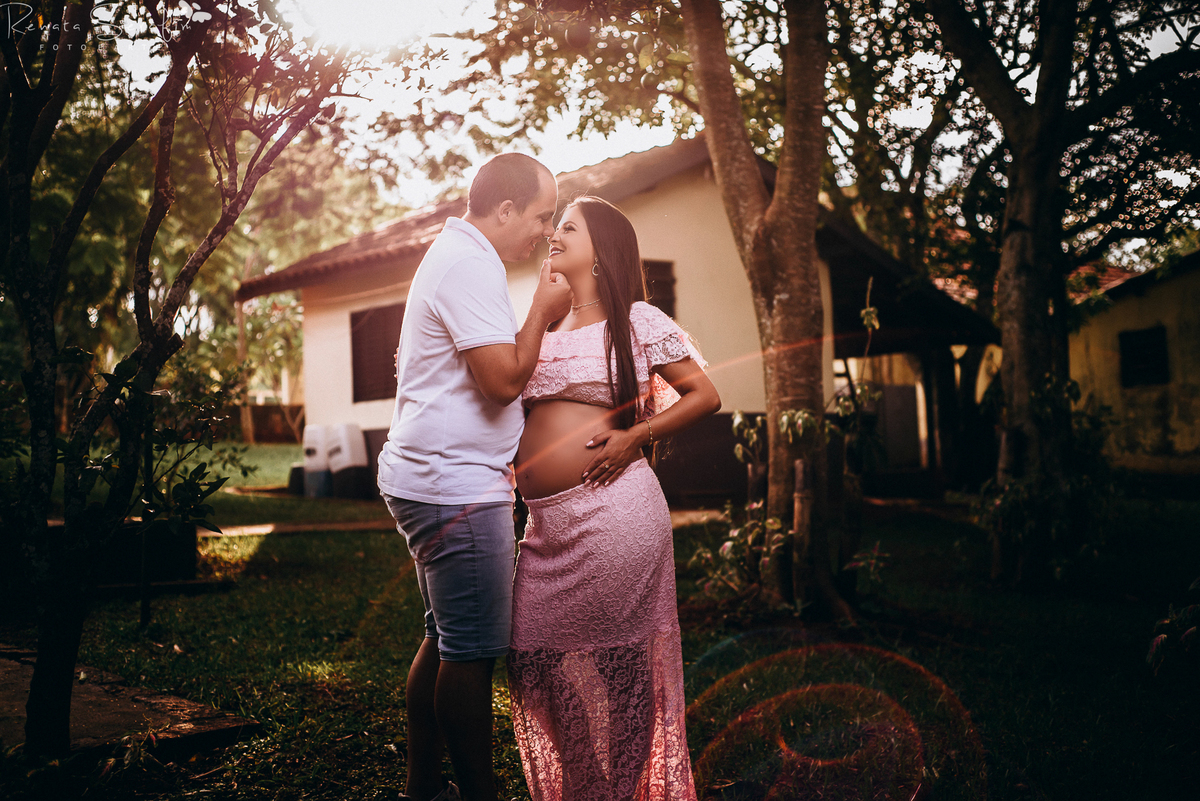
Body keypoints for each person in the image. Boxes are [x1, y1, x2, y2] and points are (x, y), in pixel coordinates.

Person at [508, 195, 721, 801]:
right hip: (543, 527)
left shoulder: (638, 320)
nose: (554, 234)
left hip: (616, 511)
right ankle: (585, 783)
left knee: (622, 665)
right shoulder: (541, 329)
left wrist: (635, 435)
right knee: (533, 654)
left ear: (601, 249)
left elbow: (704, 396)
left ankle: (622, 789)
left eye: (567, 227)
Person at [377, 153, 572, 801]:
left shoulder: (459, 255)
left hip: (432, 476)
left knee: (444, 638)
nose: (547, 232)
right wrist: (542, 310)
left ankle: (424, 788)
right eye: (542, 216)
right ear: (506, 208)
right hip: (453, 486)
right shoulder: (470, 263)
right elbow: (501, 380)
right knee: (471, 652)